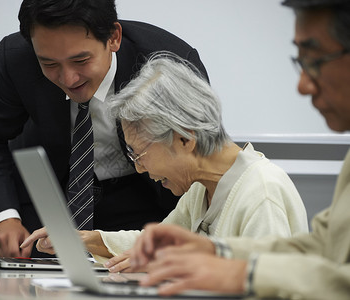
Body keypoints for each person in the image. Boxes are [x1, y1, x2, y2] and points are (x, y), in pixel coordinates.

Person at [126, 0, 350, 299]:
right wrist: (215, 250)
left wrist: (244, 274)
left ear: (183, 138)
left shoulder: (262, 188)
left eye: (315, 60)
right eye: (300, 62)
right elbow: (322, 247)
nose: (302, 85)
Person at [21, 52, 309, 268]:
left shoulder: (262, 193)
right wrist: (87, 240)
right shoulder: (201, 187)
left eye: (139, 153)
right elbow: (156, 243)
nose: (138, 167)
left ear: (185, 138)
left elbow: (265, 285)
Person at [0, 0, 209, 258]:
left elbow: (196, 154)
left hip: (146, 199)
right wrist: (5, 217)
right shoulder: (16, 59)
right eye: (49, 64)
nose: (69, 78)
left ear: (113, 38)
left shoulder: (169, 63)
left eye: (81, 60)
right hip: (49, 202)